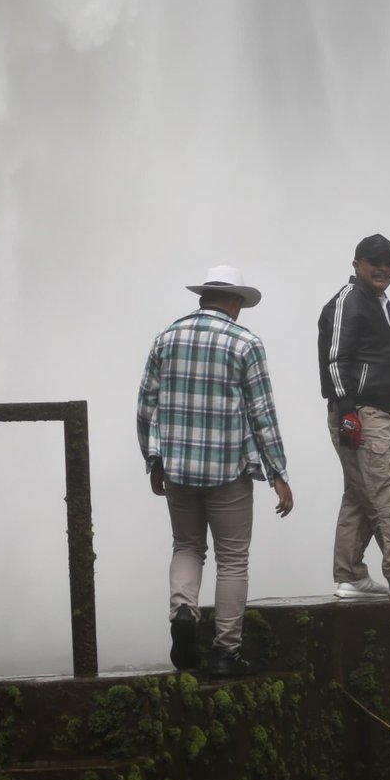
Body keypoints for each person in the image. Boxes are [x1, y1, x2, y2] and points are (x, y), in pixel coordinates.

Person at [137, 264, 294, 677]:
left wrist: (154, 460)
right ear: (235, 302)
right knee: (232, 559)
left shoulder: (166, 337)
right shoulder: (245, 343)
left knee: (187, 546)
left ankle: (183, 613)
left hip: (177, 469)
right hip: (228, 471)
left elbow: (146, 405)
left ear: (204, 298)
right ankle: (226, 651)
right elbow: (262, 414)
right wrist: (278, 473)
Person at [317, 234, 390, 599]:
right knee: (385, 491)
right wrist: (348, 411)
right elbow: (336, 358)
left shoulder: (377, 301)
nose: (383, 268)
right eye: (375, 261)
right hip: (361, 412)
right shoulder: (350, 300)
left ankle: (350, 575)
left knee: (358, 494)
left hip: (372, 411)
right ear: (357, 265)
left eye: (389, 262)